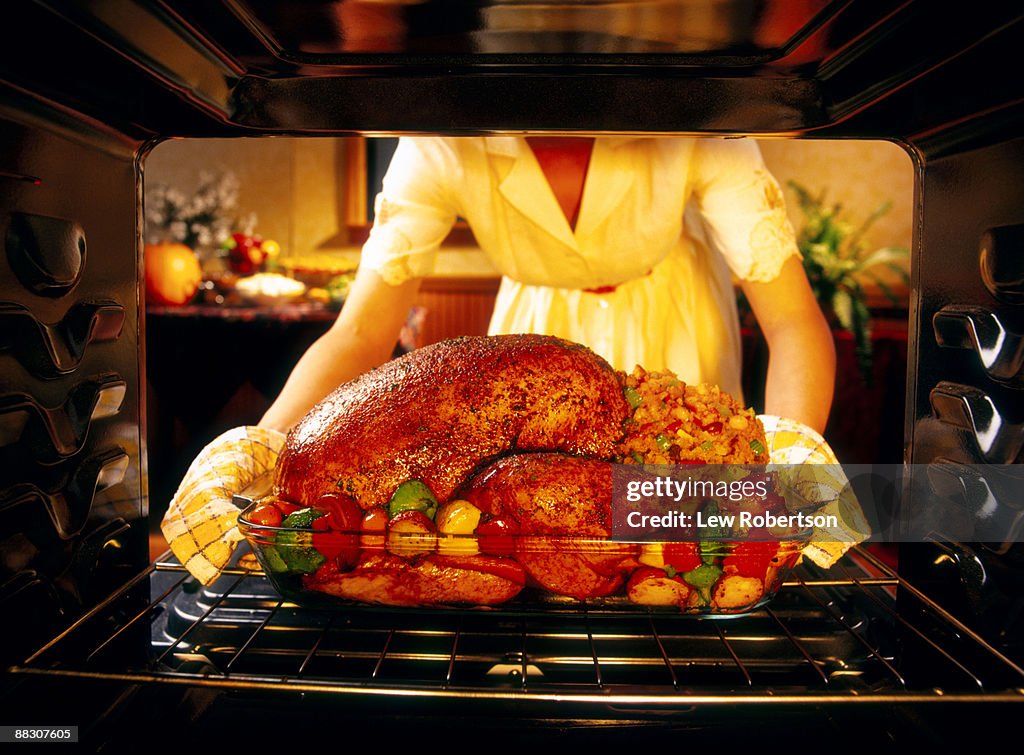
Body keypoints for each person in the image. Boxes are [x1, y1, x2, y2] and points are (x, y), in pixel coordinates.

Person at [259, 135, 835, 434]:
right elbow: (361, 330)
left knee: (670, 525)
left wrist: (795, 465)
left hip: (671, 313)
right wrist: (265, 441)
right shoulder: (441, 141)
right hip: (535, 326)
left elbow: (791, 321)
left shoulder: (697, 107)